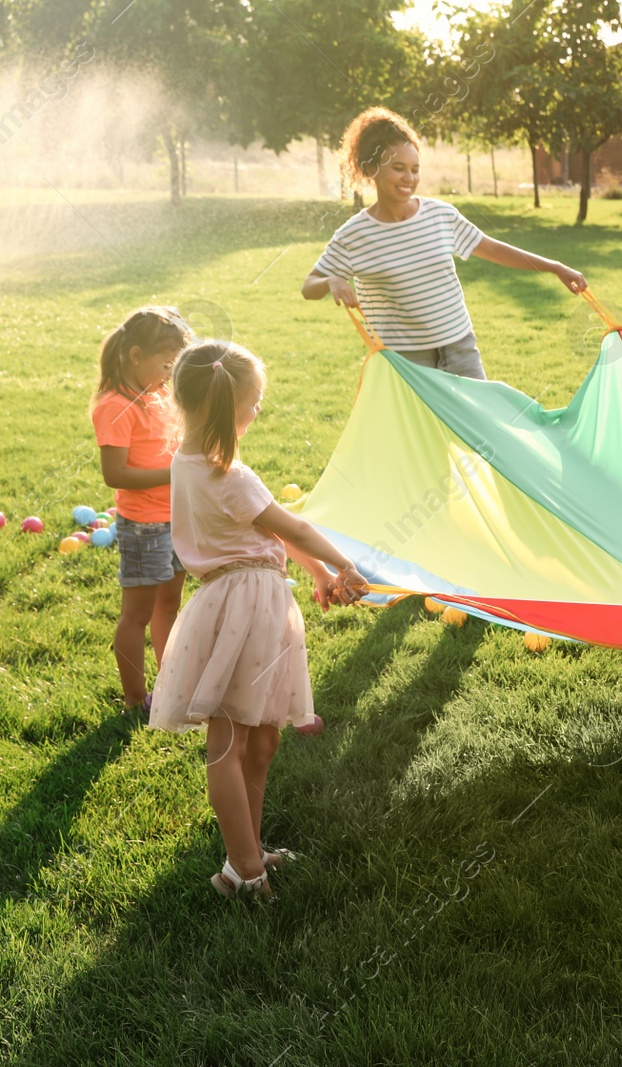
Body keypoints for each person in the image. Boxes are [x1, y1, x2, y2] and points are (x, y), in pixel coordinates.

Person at [149, 340, 369, 900]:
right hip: (243, 607)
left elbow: (265, 536)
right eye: (255, 402)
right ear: (229, 408)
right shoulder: (229, 475)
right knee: (230, 741)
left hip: (250, 602)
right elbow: (288, 528)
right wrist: (345, 563)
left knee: (261, 739)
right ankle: (245, 871)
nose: (258, 411)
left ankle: (245, 851)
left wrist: (318, 575)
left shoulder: (190, 461)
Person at [301, 106, 588, 380]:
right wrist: (332, 282)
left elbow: (493, 249)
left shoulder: (440, 215)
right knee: (416, 432)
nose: (409, 178)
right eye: (398, 168)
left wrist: (554, 267)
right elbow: (309, 286)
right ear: (371, 168)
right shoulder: (354, 235)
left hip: (459, 347)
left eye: (415, 169)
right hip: (404, 360)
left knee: (482, 425)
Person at [90, 306, 194, 714]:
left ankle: (170, 680)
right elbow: (115, 474)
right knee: (137, 614)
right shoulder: (115, 406)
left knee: (169, 604)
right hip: (143, 528)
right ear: (135, 356)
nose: (171, 372)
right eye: (166, 363)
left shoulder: (160, 394)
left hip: (177, 519)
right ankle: (135, 698)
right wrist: (173, 472)